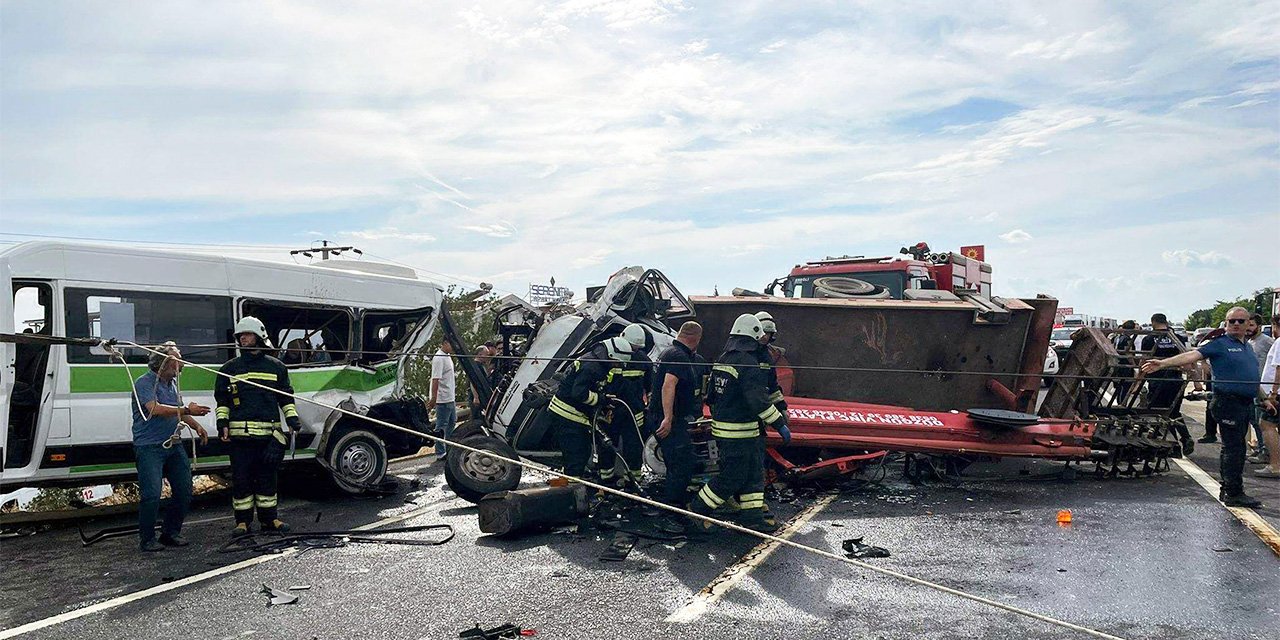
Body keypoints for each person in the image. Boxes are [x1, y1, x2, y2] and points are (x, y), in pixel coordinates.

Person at [1141, 307, 1262, 507]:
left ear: (1248, 323)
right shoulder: (1219, 344)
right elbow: (1191, 356)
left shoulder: (1247, 347)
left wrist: (1264, 398)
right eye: (1232, 321)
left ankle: (1230, 489)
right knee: (1234, 449)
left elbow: (1252, 377)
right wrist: (1163, 364)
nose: (1236, 324)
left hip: (1245, 402)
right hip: (1227, 402)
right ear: (1226, 323)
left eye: (1241, 321)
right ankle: (1233, 492)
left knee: (1237, 448)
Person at [689, 314, 789, 533]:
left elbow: (711, 396)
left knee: (753, 474)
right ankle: (698, 510)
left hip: (736, 431)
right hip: (740, 432)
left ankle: (752, 517)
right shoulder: (748, 363)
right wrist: (779, 422)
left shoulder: (723, 359)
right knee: (732, 477)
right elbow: (758, 401)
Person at [215, 317, 302, 535]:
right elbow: (222, 401)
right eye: (240, 336)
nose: (242, 338)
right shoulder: (228, 369)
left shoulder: (276, 367)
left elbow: (286, 398)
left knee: (267, 480)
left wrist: (292, 420)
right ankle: (242, 522)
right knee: (241, 480)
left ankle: (270, 519)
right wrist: (221, 422)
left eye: (247, 334)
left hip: (268, 437)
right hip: (240, 439)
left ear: (259, 337)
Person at [131, 342, 210, 551]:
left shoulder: (173, 384)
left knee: (184, 490)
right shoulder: (144, 383)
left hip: (173, 445)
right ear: (164, 363)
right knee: (151, 494)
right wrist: (187, 410)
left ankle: (170, 532)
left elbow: (178, 411)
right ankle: (147, 539)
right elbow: (154, 409)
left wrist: (196, 425)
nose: (182, 363)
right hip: (149, 447)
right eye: (178, 359)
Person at [649, 322, 707, 527]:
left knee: (679, 463)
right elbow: (668, 386)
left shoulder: (673, 354)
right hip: (668, 419)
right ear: (696, 339)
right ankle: (671, 514)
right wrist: (667, 418)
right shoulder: (678, 356)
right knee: (682, 464)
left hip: (673, 418)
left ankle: (674, 507)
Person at [549, 336, 631, 478]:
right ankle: (573, 487)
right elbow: (579, 394)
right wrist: (601, 399)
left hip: (573, 414)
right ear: (611, 356)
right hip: (567, 414)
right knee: (577, 455)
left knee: (581, 451)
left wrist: (604, 399)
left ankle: (574, 481)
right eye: (618, 363)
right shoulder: (592, 367)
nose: (617, 366)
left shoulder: (596, 361)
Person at [597, 324, 652, 487]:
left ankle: (630, 482)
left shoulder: (643, 361)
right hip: (613, 411)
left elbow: (650, 387)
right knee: (609, 446)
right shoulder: (611, 357)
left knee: (631, 447)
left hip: (629, 412)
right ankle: (608, 481)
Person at [1136, 313, 1194, 454]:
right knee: (1174, 411)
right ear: (1166, 322)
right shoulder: (1178, 338)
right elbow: (1188, 359)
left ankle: (1174, 446)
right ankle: (1185, 438)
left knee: (1160, 413)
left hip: (1157, 380)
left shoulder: (1149, 339)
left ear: (1153, 322)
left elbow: (1144, 360)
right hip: (1175, 379)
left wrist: (1138, 381)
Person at [1246, 313, 1274, 463]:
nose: (1248, 328)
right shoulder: (1248, 342)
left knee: (1262, 422)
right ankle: (1261, 448)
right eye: (1247, 325)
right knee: (1254, 420)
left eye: (1251, 325)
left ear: (1259, 326)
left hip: (1263, 389)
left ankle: (1266, 452)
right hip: (1251, 387)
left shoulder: (1267, 341)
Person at [1255, 315, 1280, 478]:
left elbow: (1279, 369)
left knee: (1266, 425)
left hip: (1276, 394)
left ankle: (1276, 465)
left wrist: (1273, 393)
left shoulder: (1279, 342)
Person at [428, 340, 456, 459]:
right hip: (443, 398)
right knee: (441, 425)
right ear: (444, 343)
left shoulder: (447, 356)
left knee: (452, 422)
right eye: (451, 344)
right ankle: (440, 452)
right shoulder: (439, 358)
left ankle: (449, 448)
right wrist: (434, 398)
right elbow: (435, 379)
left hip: (450, 396)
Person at [1112, 320, 1138, 404]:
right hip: (1125, 365)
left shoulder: (1117, 338)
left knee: (1119, 387)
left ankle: (1120, 403)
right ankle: (1122, 404)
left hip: (1118, 364)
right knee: (1126, 386)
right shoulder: (1127, 339)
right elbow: (1128, 353)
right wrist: (1134, 365)